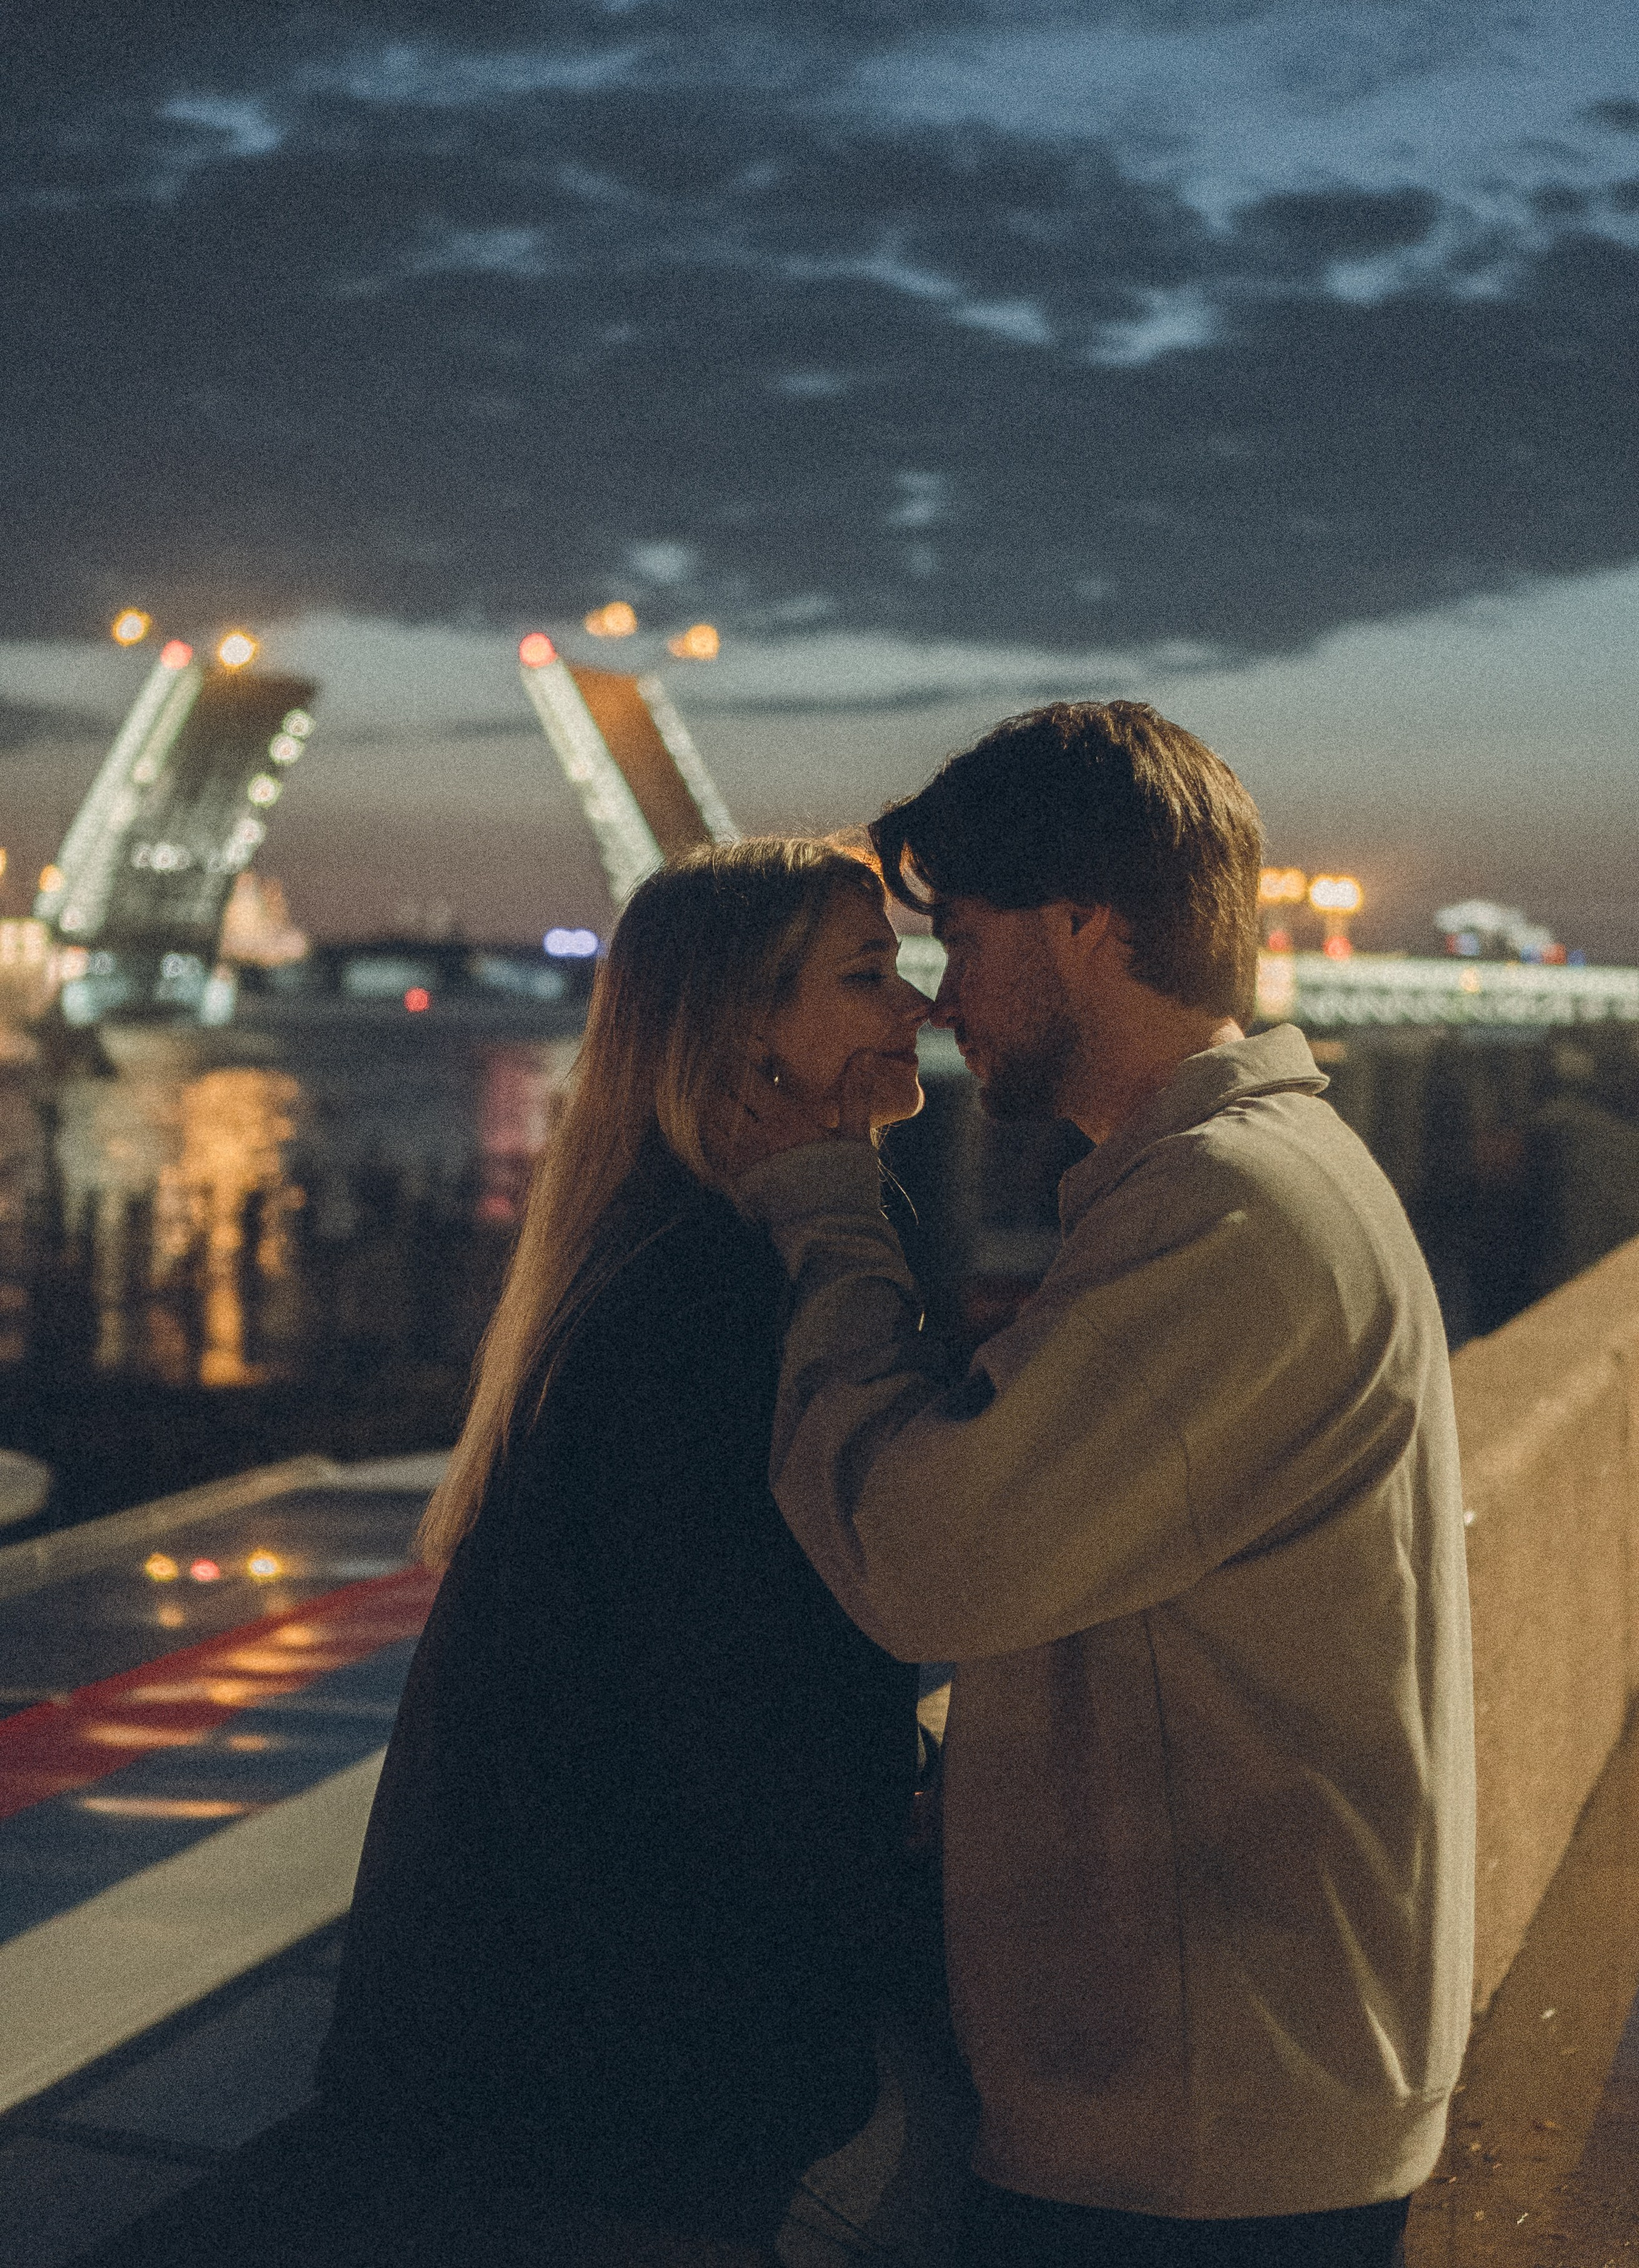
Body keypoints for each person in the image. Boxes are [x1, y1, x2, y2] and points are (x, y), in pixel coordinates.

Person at [86, 841, 929, 2268]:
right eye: (869, 973)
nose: (919, 1006)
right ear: (742, 1034)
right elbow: (745, 1713)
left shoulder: (647, 1258)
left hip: (532, 2067)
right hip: (611, 2104)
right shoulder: (715, 1299)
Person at [729, 704, 1476, 2268]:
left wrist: (823, 1218)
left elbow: (925, 1558)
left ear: (1082, 928)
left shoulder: (1225, 1215)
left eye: (961, 937)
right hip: (1238, 2088)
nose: (937, 999)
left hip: (1195, 2132)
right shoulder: (1252, 1180)